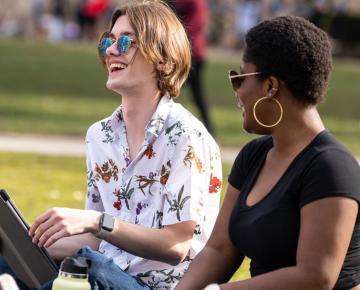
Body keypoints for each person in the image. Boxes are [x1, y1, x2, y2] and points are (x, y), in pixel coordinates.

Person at [0, 1, 222, 290]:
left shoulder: (185, 136)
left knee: (90, 269)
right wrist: (25, 242)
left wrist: (97, 221)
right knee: (12, 260)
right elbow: (95, 240)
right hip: (105, 274)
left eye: (127, 41)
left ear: (163, 59)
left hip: (159, 286)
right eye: (109, 40)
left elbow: (177, 245)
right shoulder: (99, 136)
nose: (111, 50)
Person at [175, 15, 360, 290]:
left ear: (271, 86)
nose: (237, 91)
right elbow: (220, 250)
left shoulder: (331, 167)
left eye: (240, 78)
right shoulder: (254, 156)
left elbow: (316, 277)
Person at [171, 0, 215, 135]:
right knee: (196, 97)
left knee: (166, 90)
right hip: (192, 53)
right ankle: (210, 131)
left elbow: (191, 26)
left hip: (191, 54)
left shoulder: (194, 2)